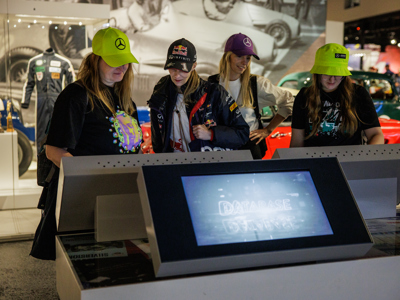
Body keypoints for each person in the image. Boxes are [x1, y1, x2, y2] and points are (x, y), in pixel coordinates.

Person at [30, 27, 143, 260]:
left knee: (121, 263)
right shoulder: (76, 96)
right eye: (114, 61)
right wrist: (89, 178)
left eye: (125, 62)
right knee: (88, 266)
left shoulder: (125, 100)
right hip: (88, 198)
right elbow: (53, 151)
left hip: (121, 192)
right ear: (95, 60)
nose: (121, 67)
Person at [148, 38, 249, 153]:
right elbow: (157, 140)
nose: (177, 75)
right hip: (173, 164)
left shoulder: (214, 93)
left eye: (182, 69)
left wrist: (211, 134)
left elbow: (242, 133)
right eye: (172, 69)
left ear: (194, 66)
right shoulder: (160, 92)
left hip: (205, 165)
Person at [208, 33, 294, 159]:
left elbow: (288, 101)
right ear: (227, 56)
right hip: (220, 148)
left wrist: (268, 130)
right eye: (239, 56)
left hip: (249, 149)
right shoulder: (212, 83)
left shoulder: (257, 84)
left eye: (248, 58)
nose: (244, 62)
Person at [290, 43, 384, 147]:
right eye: (327, 73)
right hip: (314, 161)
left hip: (350, 161)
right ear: (317, 73)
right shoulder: (304, 96)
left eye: (338, 74)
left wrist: (366, 158)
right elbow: (296, 142)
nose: (332, 79)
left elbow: (376, 134)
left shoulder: (358, 94)